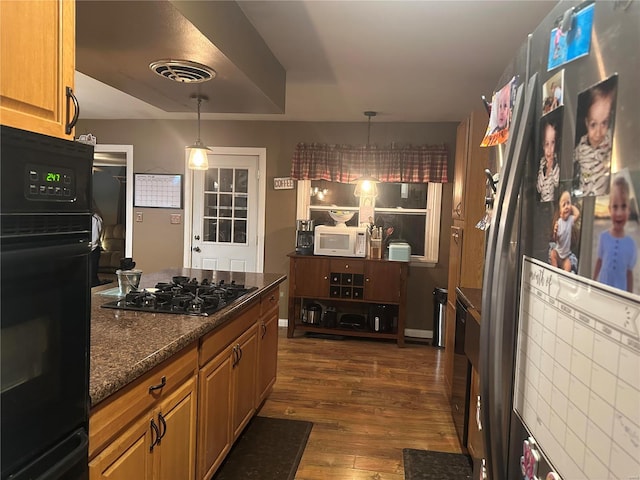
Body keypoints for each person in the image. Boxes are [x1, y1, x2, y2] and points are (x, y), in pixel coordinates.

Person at [593, 175, 637, 292]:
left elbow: (629, 273)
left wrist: (629, 297)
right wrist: (592, 281)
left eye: (623, 206)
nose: (619, 213)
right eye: (615, 206)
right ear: (609, 209)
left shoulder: (630, 244)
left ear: (629, 209)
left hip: (620, 293)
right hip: (603, 290)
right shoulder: (603, 237)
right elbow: (599, 261)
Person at [573, 83, 615, 197]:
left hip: (602, 201)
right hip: (583, 198)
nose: (598, 132)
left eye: (604, 123)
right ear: (586, 123)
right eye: (593, 125)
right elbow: (569, 161)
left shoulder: (609, 141)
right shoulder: (581, 146)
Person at [549, 190, 580, 272]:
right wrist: (555, 233)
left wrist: (570, 206)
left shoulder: (570, 220)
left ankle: (563, 277)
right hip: (558, 252)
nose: (566, 207)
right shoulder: (559, 223)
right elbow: (556, 239)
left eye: (568, 203)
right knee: (553, 254)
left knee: (568, 265)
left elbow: (577, 214)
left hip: (566, 256)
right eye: (564, 205)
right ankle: (554, 272)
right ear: (559, 212)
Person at [536, 120, 560, 202]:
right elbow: (539, 188)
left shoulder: (557, 161)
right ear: (543, 146)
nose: (549, 149)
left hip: (553, 204)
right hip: (542, 203)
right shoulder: (542, 163)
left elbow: (557, 182)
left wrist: (553, 166)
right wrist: (544, 171)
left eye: (552, 143)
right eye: (546, 144)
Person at [91, 200, 104, 287]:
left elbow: (94, 238)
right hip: (90, 249)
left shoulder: (95, 219)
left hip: (93, 250)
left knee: (92, 275)